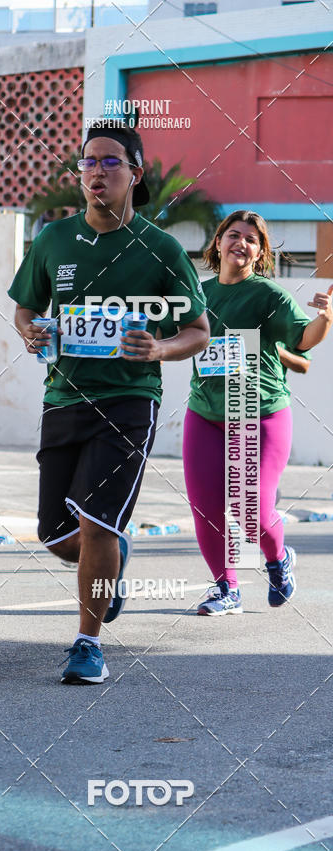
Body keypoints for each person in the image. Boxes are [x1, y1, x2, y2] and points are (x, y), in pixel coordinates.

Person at [9, 121, 209, 684]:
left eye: (110, 162)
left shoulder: (162, 249)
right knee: (55, 534)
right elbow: (26, 309)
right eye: (88, 162)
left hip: (128, 401)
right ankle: (113, 561)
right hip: (64, 397)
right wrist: (32, 333)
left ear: (135, 174)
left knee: (96, 522)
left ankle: (87, 642)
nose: (96, 171)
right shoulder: (54, 239)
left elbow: (199, 330)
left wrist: (160, 348)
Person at [183, 210, 332, 615]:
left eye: (251, 239)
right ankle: (226, 589)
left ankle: (278, 558)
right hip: (206, 413)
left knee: (252, 512)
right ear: (218, 243)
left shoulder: (269, 296)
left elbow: (304, 340)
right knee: (206, 507)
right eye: (234, 235)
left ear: (260, 251)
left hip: (259, 413)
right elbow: (172, 338)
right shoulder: (199, 295)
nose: (241, 243)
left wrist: (326, 318)